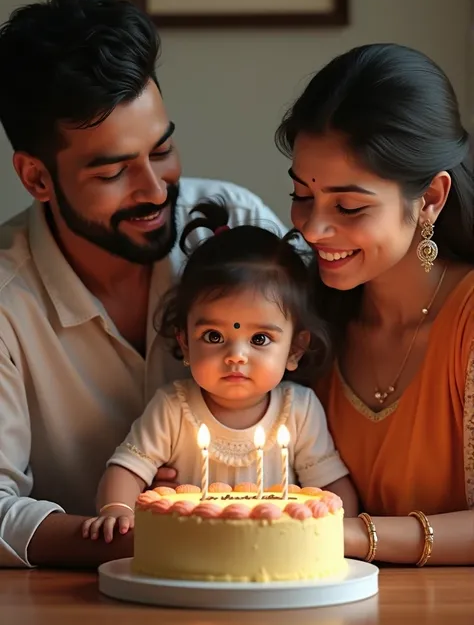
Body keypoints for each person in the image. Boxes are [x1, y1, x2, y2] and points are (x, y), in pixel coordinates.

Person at [0, 0, 285, 569]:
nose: (155, 189)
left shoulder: (238, 226)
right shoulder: (8, 297)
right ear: (37, 178)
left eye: (163, 150)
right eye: (113, 171)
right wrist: (146, 534)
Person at [276, 43, 474, 566]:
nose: (313, 229)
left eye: (348, 206)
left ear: (431, 197)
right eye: (301, 194)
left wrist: (343, 538)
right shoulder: (303, 316)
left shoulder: (467, 320)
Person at [81, 199, 358, 542]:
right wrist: (117, 511)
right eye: (214, 336)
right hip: (187, 557)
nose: (236, 356)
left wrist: (337, 530)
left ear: (295, 349)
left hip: (275, 558)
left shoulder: (298, 410)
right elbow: (125, 470)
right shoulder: (172, 408)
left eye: (259, 338)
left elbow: (331, 486)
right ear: (184, 342)